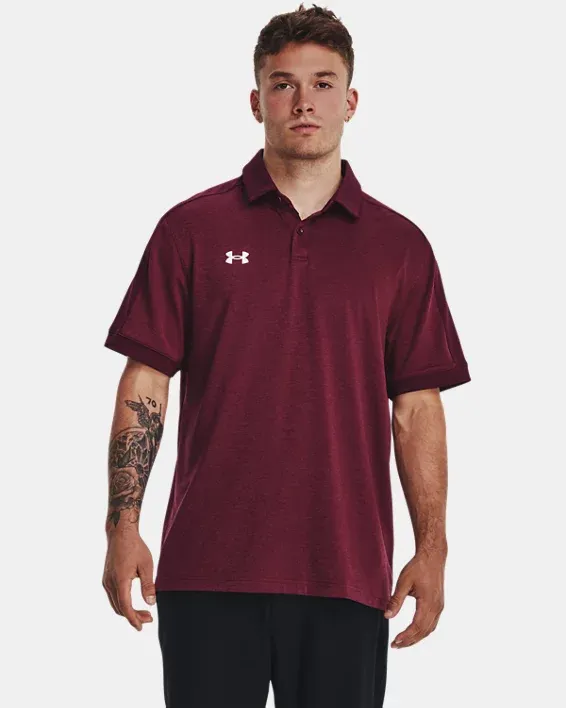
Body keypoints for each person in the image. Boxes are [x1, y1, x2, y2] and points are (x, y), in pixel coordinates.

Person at [101, 3, 471, 706]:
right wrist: (123, 527)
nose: (304, 102)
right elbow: (145, 380)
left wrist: (433, 549)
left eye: (323, 84)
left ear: (351, 102)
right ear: (256, 101)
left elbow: (417, 408)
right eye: (284, 84)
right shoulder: (190, 229)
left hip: (347, 573)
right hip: (206, 568)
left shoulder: (400, 246)